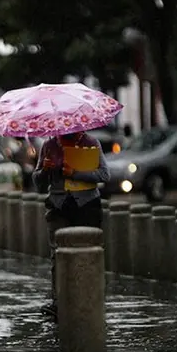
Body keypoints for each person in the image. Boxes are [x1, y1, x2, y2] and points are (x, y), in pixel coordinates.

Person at [32, 131, 110, 319]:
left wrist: (76, 173)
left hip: (87, 205)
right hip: (58, 206)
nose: (68, 135)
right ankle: (59, 301)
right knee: (57, 255)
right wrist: (46, 170)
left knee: (88, 254)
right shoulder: (48, 145)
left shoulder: (91, 143)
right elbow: (38, 184)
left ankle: (89, 298)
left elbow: (104, 175)